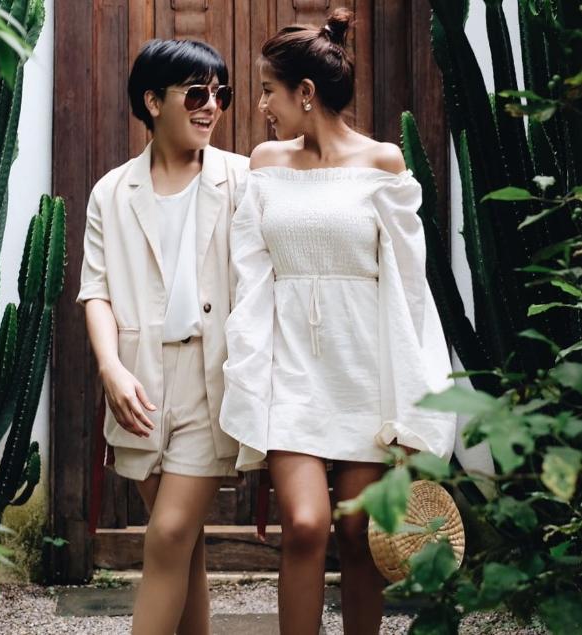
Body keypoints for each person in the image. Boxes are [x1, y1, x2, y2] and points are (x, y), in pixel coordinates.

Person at [219, 8, 456, 635]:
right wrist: (250, 373)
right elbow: (251, 279)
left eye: (268, 90)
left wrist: (413, 401)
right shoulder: (265, 163)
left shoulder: (384, 163)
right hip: (291, 370)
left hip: (365, 374)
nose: (261, 105)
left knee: (357, 533)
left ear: (305, 92)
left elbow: (408, 291)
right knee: (304, 525)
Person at [76, 39, 247, 635]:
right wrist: (111, 369)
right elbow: (96, 291)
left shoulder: (242, 179)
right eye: (196, 94)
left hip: (209, 379)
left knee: (170, 533)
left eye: (220, 95)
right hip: (139, 383)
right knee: (182, 543)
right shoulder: (111, 191)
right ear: (152, 102)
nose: (211, 107)